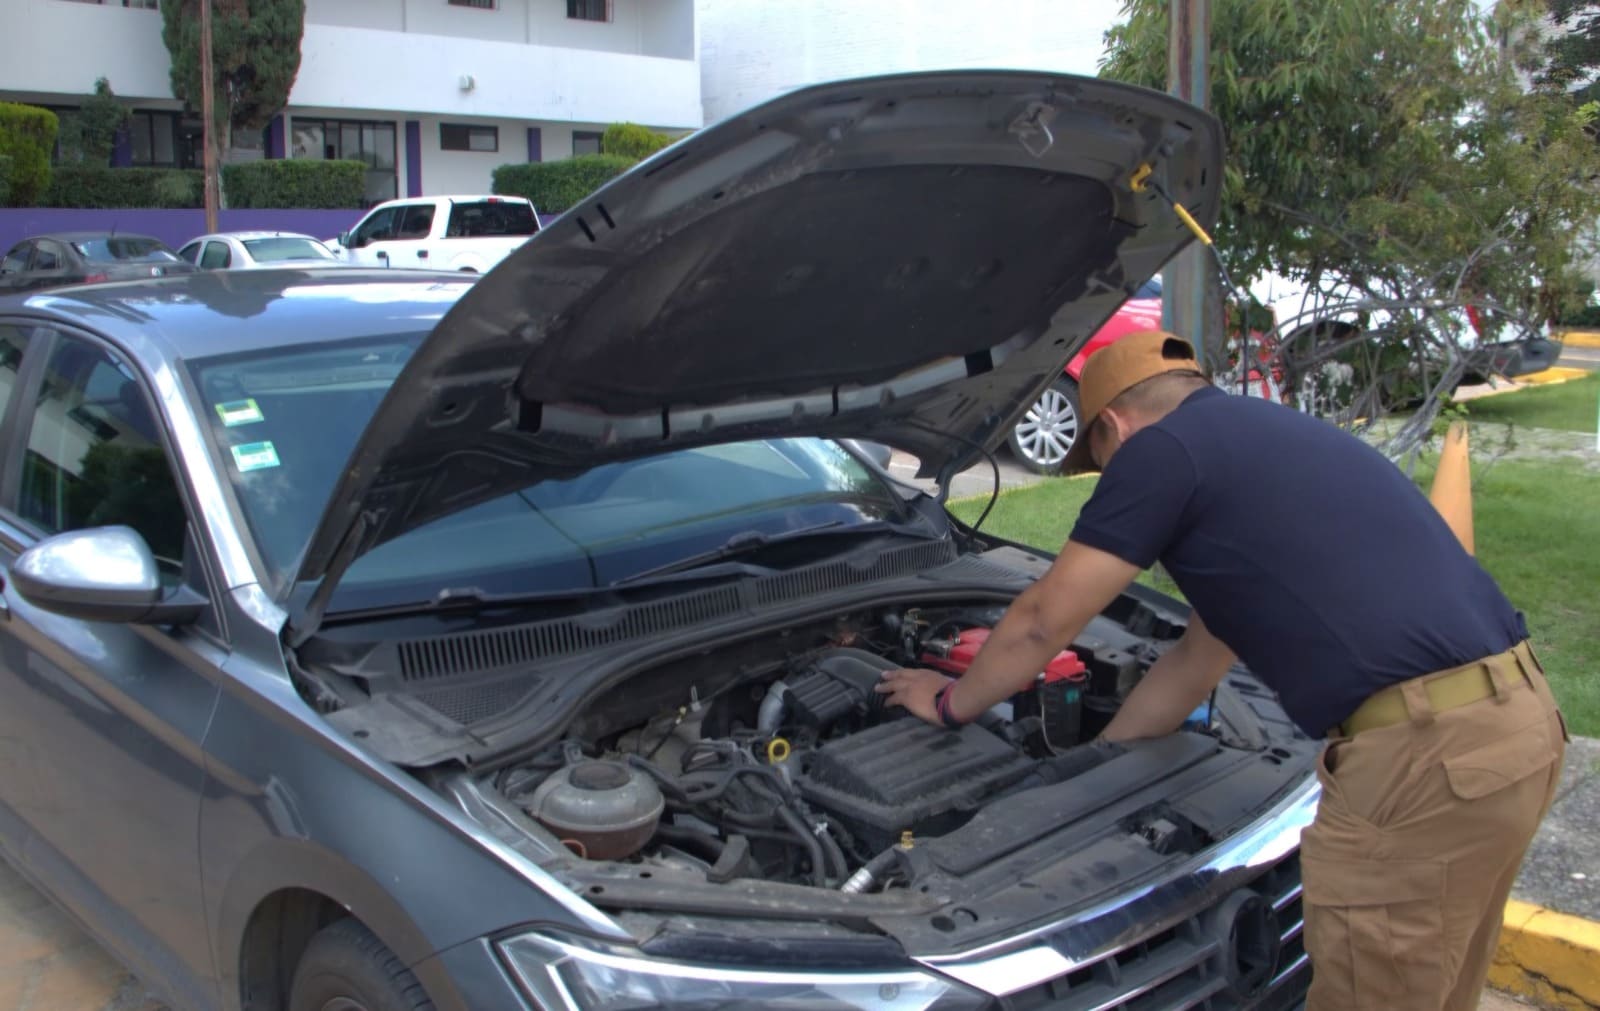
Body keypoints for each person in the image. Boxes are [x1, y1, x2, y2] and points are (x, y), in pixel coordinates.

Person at [876, 330, 1567, 1011]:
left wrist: (950, 703)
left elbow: (1039, 621)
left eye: (1101, 460)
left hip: (1421, 759)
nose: (1109, 478)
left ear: (1114, 425)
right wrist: (1092, 768)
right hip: (1515, 730)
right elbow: (1193, 663)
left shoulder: (1163, 451)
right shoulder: (1261, 439)